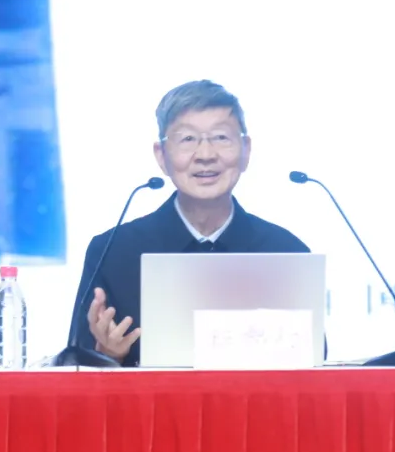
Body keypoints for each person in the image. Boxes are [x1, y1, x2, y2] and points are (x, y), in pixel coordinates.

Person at [70, 80, 311, 367]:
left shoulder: (286, 251)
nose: (206, 155)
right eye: (187, 139)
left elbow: (313, 368)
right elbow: (72, 371)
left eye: (221, 137)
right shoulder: (113, 251)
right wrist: (108, 357)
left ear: (246, 150)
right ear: (161, 156)